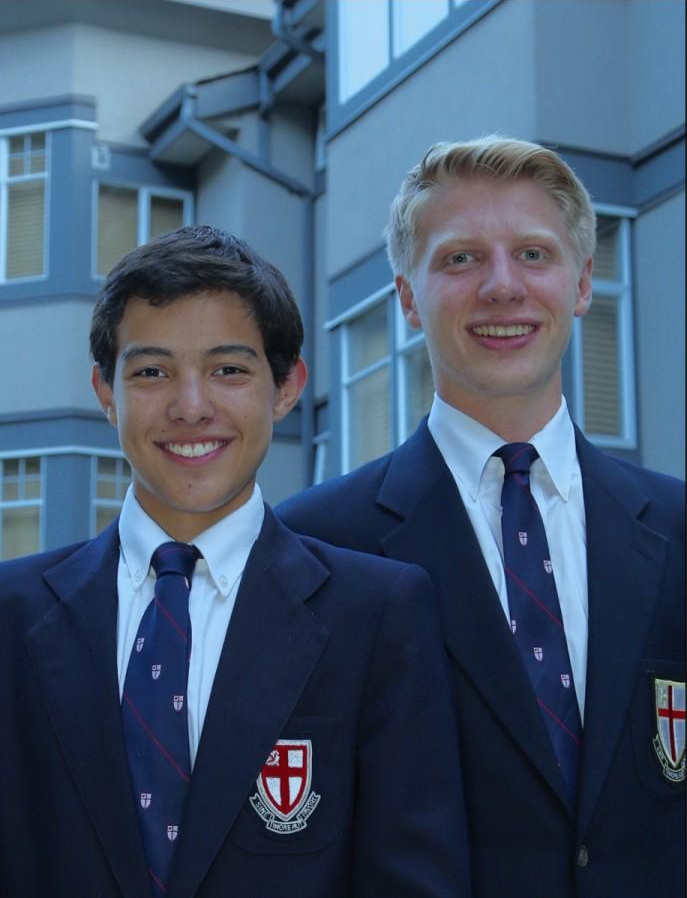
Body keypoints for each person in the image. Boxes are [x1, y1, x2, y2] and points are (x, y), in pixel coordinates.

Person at [0, 225, 472, 897]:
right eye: (151, 371)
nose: (191, 407)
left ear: (285, 387)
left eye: (228, 370)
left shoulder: (376, 615)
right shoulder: (12, 618)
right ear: (107, 393)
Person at [277, 136, 686, 897]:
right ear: (406, 298)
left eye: (533, 254)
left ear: (582, 282)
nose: (503, 286)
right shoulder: (311, 548)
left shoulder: (677, 526)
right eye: (460, 259)